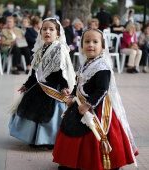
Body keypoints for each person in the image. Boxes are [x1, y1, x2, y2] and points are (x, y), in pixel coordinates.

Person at [53, 28, 139, 170]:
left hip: (96, 108)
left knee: (91, 137)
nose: (90, 45)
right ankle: (70, 161)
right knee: (71, 132)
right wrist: (72, 97)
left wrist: (88, 105)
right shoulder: (84, 65)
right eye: (87, 41)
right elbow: (78, 84)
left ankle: (94, 163)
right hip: (80, 105)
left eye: (95, 42)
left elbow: (102, 90)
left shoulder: (102, 67)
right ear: (82, 45)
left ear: (102, 46)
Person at [8, 18, 75, 148]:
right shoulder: (40, 49)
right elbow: (35, 71)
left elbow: (62, 71)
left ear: (58, 33)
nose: (47, 32)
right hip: (40, 85)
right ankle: (34, 138)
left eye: (51, 29)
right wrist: (27, 84)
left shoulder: (59, 49)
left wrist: (64, 86)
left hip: (54, 88)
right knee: (33, 108)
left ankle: (49, 140)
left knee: (49, 115)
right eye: (44, 29)